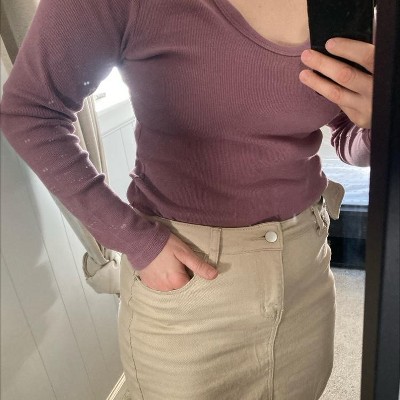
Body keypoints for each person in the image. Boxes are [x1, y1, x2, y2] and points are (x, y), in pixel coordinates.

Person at [0, 0, 374, 398]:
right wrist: (134, 239)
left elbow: (348, 133)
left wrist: (378, 118)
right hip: (188, 280)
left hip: (306, 268)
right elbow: (30, 110)